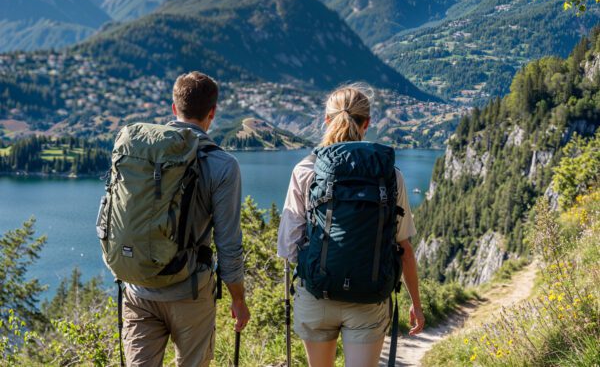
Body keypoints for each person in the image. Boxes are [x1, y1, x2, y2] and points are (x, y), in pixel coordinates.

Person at [277, 84, 425, 367]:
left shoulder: (305, 171)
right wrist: (416, 305)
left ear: (326, 120)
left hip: (317, 295)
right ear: (367, 123)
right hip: (368, 300)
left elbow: (288, 246)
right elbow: (404, 247)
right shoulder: (390, 176)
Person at [122, 72, 251, 367]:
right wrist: (238, 299)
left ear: (173, 108)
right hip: (189, 290)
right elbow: (228, 242)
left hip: (139, 287)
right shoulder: (222, 164)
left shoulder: (141, 151)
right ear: (212, 113)